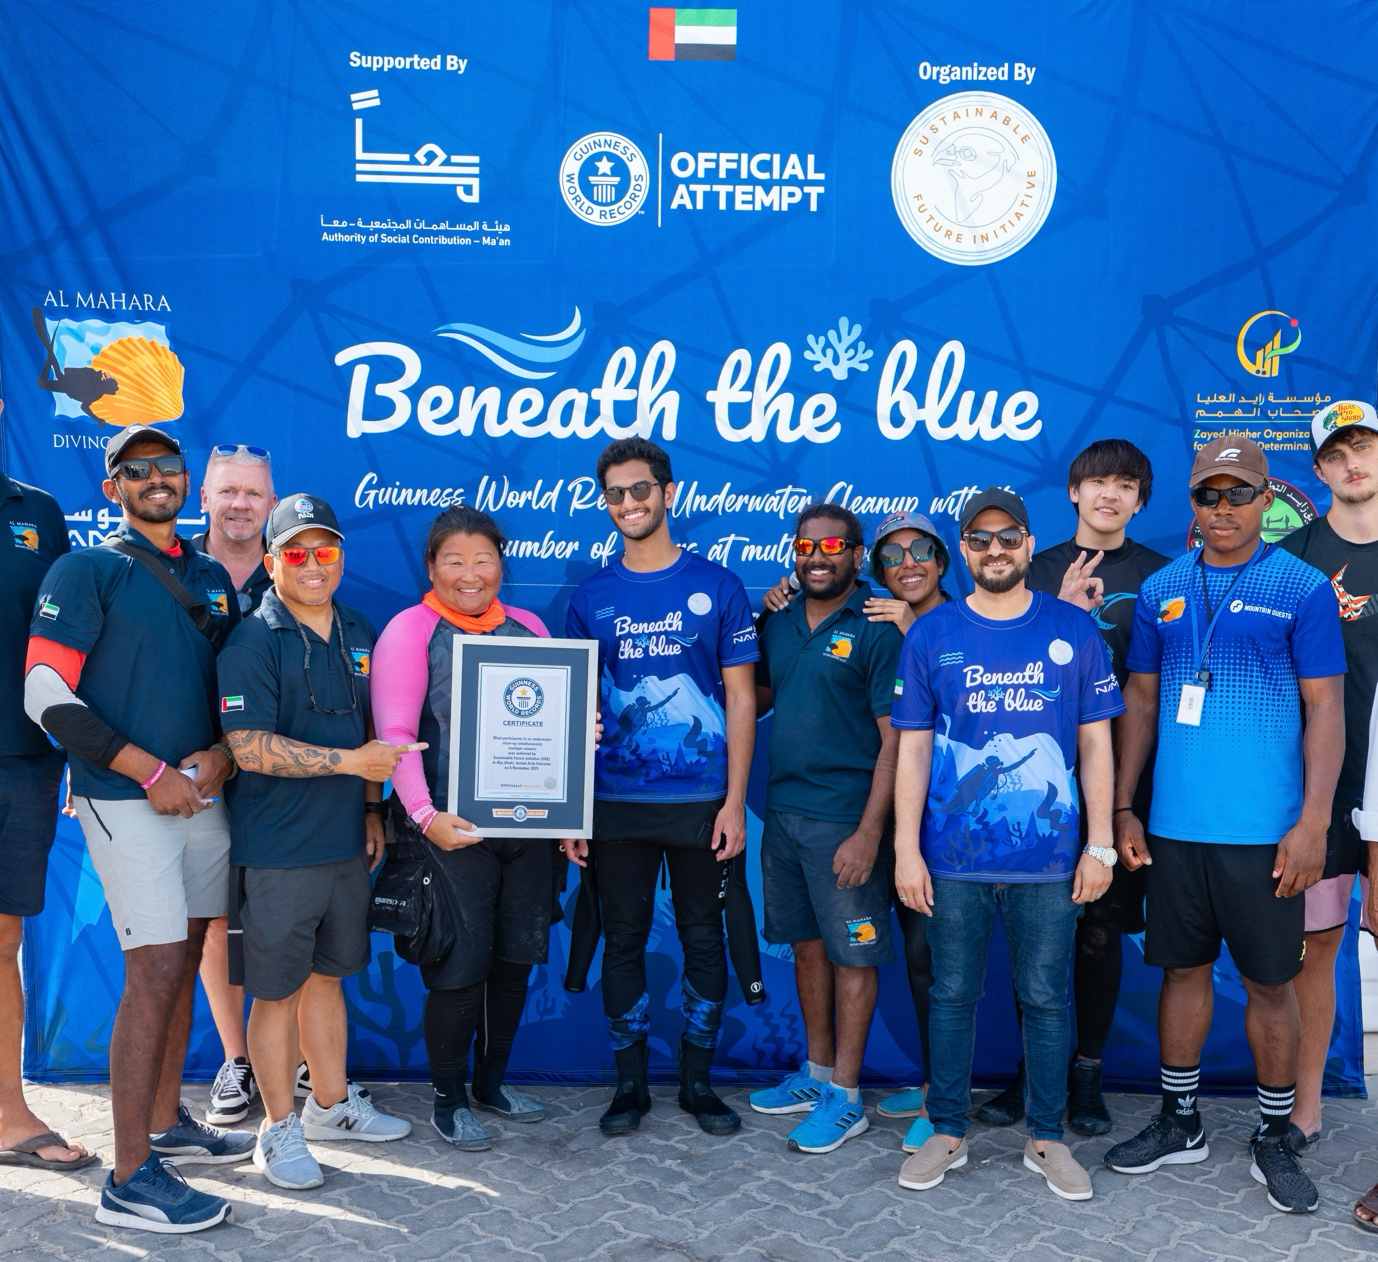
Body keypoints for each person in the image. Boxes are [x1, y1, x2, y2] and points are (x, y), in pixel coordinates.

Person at [1105, 434, 1344, 1216]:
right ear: (1193, 503)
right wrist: (1123, 807)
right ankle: (1180, 1121)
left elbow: (1326, 711)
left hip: (1266, 835)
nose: (1224, 509)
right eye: (1209, 495)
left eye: (1240, 494)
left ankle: (1275, 1134)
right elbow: (1138, 701)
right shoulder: (1164, 588)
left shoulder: (1302, 587)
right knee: (1180, 971)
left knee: (1272, 984)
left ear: (1267, 500)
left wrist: (1312, 825)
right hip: (1174, 829)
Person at [23, 424, 253, 1233]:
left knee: (188, 954)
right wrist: (146, 771)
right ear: (111, 486)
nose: (157, 479)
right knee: (154, 968)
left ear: (186, 483)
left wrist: (221, 756)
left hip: (204, 796)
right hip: (129, 800)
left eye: (169, 468)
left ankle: (162, 1124)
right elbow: (44, 694)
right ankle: (128, 1179)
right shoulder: (85, 567)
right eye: (137, 470)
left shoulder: (211, 578)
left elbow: (237, 691)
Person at [891, 487, 1121, 1202]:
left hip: (1050, 864)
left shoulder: (1074, 631)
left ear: (1028, 545)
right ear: (964, 551)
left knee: (1047, 999)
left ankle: (1046, 1139)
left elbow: (1095, 743)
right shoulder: (931, 636)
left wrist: (1102, 845)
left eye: (1008, 537)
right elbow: (914, 752)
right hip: (952, 862)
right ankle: (948, 1131)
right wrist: (905, 848)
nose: (995, 550)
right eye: (981, 540)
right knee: (953, 995)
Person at [562, 437, 758, 1137]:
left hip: (702, 805)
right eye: (614, 494)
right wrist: (570, 809)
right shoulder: (592, 596)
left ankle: (699, 1085)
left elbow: (739, 700)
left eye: (639, 490)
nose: (628, 504)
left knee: (705, 939)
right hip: (613, 806)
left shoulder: (721, 586)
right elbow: (576, 708)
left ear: (669, 493)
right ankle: (630, 1087)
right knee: (624, 940)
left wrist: (735, 802)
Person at [218, 494, 414, 1190]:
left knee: (328, 979)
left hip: (342, 846)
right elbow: (247, 746)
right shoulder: (250, 639)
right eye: (294, 552)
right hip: (276, 849)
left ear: (340, 557)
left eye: (323, 550)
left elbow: (372, 724)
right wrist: (351, 766)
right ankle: (277, 1131)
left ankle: (330, 1105)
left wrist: (369, 806)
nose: (310, 565)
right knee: (275, 994)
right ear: (270, 562)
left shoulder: (359, 628)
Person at [980, 441, 1169, 1135]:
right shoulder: (1029, 567)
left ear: (1142, 499)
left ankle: (1085, 1076)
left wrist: (1124, 802)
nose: (1108, 495)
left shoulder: (1163, 574)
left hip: (1126, 787)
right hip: (1038, 787)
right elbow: (987, 666)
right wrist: (1056, 614)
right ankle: (1036, 1072)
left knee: (1100, 933)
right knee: (1039, 933)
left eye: (1124, 484)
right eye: (1096, 483)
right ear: (1072, 491)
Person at [372, 505, 556, 1152]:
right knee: (459, 967)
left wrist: (575, 745)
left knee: (514, 961)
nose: (470, 573)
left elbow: (555, 725)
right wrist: (427, 820)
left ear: (501, 564)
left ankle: (491, 1083)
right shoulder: (411, 631)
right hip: (449, 825)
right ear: (431, 567)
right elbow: (396, 740)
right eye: (454, 559)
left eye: (483, 558)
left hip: (529, 827)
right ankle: (449, 1101)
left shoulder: (530, 627)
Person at [747, 505, 902, 1153]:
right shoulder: (778, 621)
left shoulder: (876, 624)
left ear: (857, 555)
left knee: (852, 955)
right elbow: (752, 698)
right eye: (806, 545)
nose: (818, 556)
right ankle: (814, 1075)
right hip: (783, 817)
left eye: (833, 545)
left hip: (847, 821)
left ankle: (846, 1095)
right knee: (807, 946)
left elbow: (897, 739)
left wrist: (870, 833)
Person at [1277, 403, 1378, 1162]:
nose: (1354, 464)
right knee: (1318, 947)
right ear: (1319, 471)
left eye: (1366, 448)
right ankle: (1307, 1107)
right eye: (1338, 454)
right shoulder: (1295, 558)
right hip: (1324, 785)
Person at [0, 397, 94, 1175]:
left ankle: (6, 1113)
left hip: (24, 764)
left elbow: (62, 646)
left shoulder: (38, 512)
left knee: (2, 943)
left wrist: (73, 753)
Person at [191, 443, 275, 1127]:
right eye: (228, 492)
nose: (240, 504)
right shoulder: (171, 570)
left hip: (283, 782)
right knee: (216, 919)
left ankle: (293, 1057)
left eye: (252, 493)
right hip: (199, 777)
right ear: (205, 500)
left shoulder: (300, 569)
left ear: (270, 504)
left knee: (286, 913)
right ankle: (236, 1059)